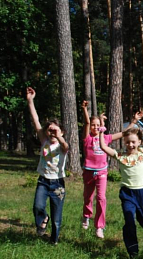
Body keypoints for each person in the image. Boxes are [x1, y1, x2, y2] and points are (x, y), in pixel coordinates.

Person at [99, 124, 143, 259]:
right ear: (124, 142)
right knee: (129, 221)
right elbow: (104, 147)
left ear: (139, 142)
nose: (130, 144)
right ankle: (133, 251)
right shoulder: (120, 156)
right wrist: (101, 132)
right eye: (128, 142)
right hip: (127, 194)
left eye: (133, 142)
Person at [26, 87, 70, 245]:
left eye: (55, 130)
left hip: (58, 183)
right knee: (38, 206)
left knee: (57, 216)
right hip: (43, 181)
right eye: (49, 130)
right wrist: (30, 100)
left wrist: (59, 135)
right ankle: (43, 218)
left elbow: (66, 147)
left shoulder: (62, 146)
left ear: (61, 132)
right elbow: (36, 120)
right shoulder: (44, 141)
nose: (51, 132)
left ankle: (54, 241)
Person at [80, 101, 124, 239]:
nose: (95, 127)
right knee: (88, 197)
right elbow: (87, 123)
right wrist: (85, 110)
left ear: (101, 126)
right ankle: (87, 216)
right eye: (94, 125)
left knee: (101, 198)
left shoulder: (105, 138)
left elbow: (122, 133)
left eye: (98, 125)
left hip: (102, 172)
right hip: (88, 171)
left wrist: (134, 122)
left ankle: (99, 227)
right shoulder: (87, 138)